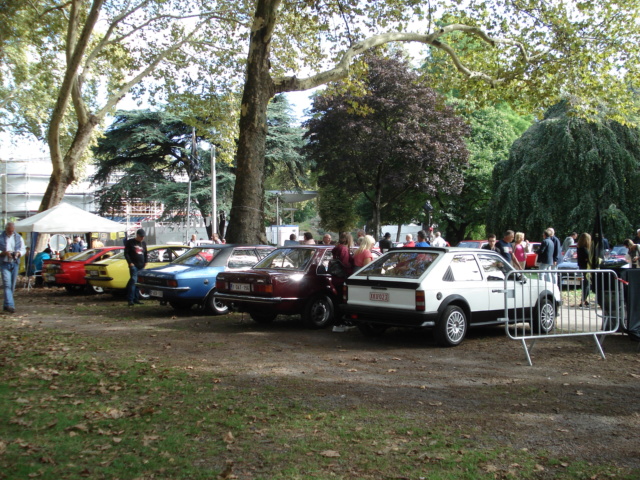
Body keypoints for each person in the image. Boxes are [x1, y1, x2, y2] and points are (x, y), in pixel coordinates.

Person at [0, 222, 26, 313]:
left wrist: (19, 253)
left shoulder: (19, 237)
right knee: (7, 284)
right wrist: (4, 253)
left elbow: (23, 249)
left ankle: (6, 305)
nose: (11, 232)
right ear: (6, 229)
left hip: (14, 263)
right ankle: (11, 305)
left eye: (12, 231)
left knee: (12, 286)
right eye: (9, 231)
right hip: (4, 263)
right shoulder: (1, 237)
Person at [331, 232, 354, 332]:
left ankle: (337, 323)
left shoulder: (337, 248)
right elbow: (345, 264)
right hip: (341, 278)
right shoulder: (344, 249)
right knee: (342, 302)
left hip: (335, 277)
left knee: (338, 300)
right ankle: (340, 323)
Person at [125, 228, 148, 306]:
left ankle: (136, 298)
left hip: (141, 265)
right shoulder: (130, 242)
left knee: (139, 283)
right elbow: (126, 253)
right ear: (137, 235)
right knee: (133, 282)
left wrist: (146, 261)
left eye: (143, 237)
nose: (142, 238)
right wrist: (130, 263)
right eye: (141, 236)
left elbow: (145, 253)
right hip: (134, 265)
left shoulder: (143, 243)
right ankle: (130, 299)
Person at [576, 233, 592, 307]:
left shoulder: (579, 248)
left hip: (582, 267)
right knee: (587, 284)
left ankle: (584, 300)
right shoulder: (584, 249)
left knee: (586, 284)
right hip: (586, 267)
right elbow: (588, 258)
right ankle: (583, 300)